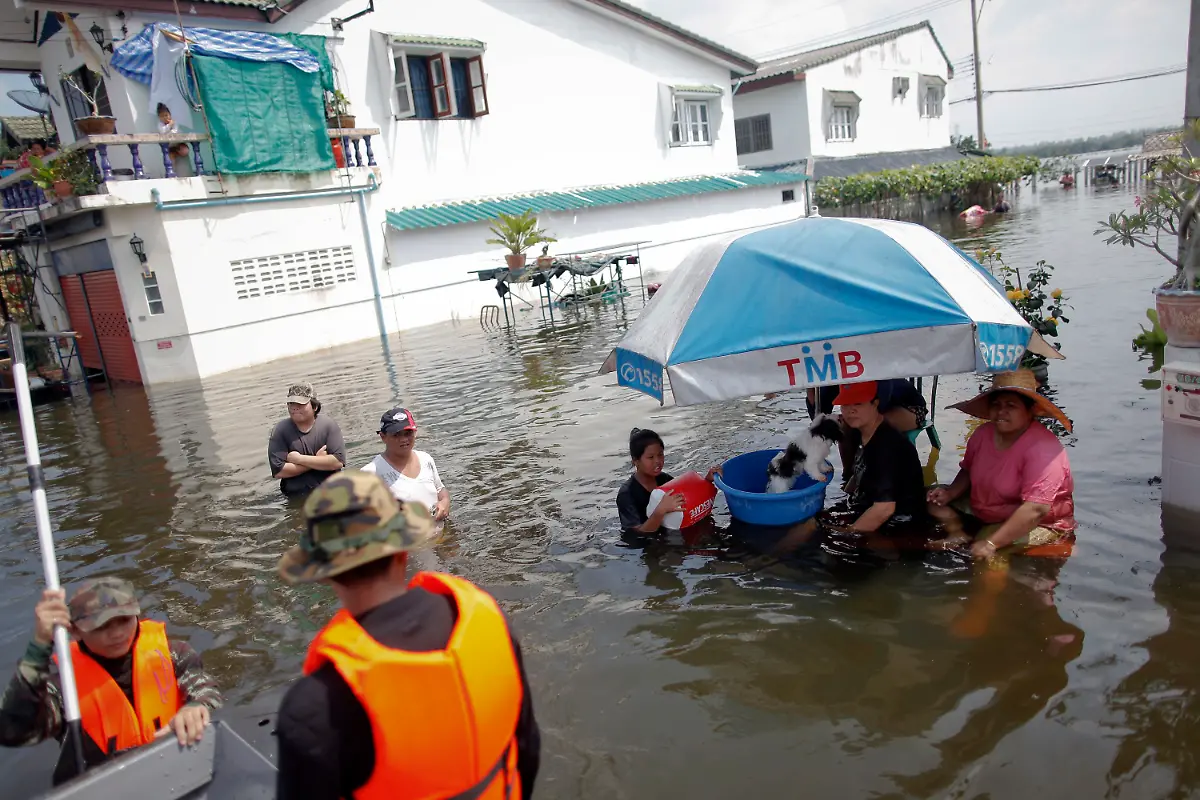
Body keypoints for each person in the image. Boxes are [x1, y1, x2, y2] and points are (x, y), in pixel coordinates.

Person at [274, 472, 540, 800]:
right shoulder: (487, 617)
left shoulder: (317, 705)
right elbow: (526, 749)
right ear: (403, 549)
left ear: (325, 574)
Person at [0, 577, 222, 785]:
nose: (117, 634)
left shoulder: (175, 654)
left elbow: (206, 689)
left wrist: (196, 706)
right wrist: (38, 647)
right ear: (75, 630)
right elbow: (13, 731)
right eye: (102, 626)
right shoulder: (62, 687)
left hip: (173, 773)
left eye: (124, 620)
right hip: (106, 788)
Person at [927, 369, 1075, 560]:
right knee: (929, 498)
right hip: (986, 505)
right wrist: (950, 493)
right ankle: (957, 532)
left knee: (984, 551)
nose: (1001, 411)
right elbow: (968, 470)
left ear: (1029, 411)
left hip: (1039, 522)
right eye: (996, 405)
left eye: (1011, 406)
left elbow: (1036, 510)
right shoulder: (983, 433)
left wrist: (991, 543)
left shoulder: (1043, 450)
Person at [830, 381, 927, 534]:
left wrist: (847, 533)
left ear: (875, 403)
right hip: (869, 507)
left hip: (899, 524)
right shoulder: (864, 433)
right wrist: (843, 497)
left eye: (858, 403)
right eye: (845, 404)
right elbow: (859, 475)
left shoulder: (886, 446)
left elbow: (884, 509)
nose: (851, 410)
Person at [616, 428, 719, 534]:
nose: (657, 461)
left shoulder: (664, 479)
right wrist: (661, 510)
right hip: (647, 545)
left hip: (672, 531)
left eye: (660, 454)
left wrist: (706, 482)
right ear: (636, 461)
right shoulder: (627, 494)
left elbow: (688, 502)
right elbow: (638, 534)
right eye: (651, 457)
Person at [360, 406, 450, 521]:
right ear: (383, 437)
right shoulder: (371, 473)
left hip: (442, 535)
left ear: (415, 432)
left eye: (408, 433)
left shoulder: (426, 459)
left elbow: (440, 490)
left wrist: (445, 502)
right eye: (396, 435)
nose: (403, 439)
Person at [267, 382, 346, 498]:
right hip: (297, 496)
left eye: (300, 404)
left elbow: (337, 462)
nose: (294, 407)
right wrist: (318, 460)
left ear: (314, 406)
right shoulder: (280, 431)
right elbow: (280, 471)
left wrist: (299, 459)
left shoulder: (328, 425)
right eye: (291, 403)